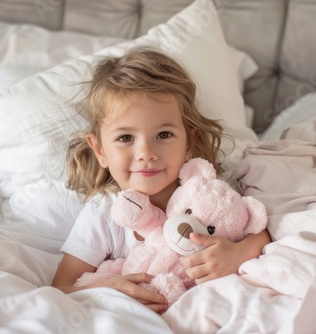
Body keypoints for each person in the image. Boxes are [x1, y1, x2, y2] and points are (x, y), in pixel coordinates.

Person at [51, 46, 271, 314]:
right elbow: (61, 288)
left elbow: (257, 228)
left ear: (189, 142)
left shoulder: (205, 193)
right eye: (125, 138)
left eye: (164, 135)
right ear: (99, 150)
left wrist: (239, 254)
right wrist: (110, 289)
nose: (146, 153)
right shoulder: (103, 214)